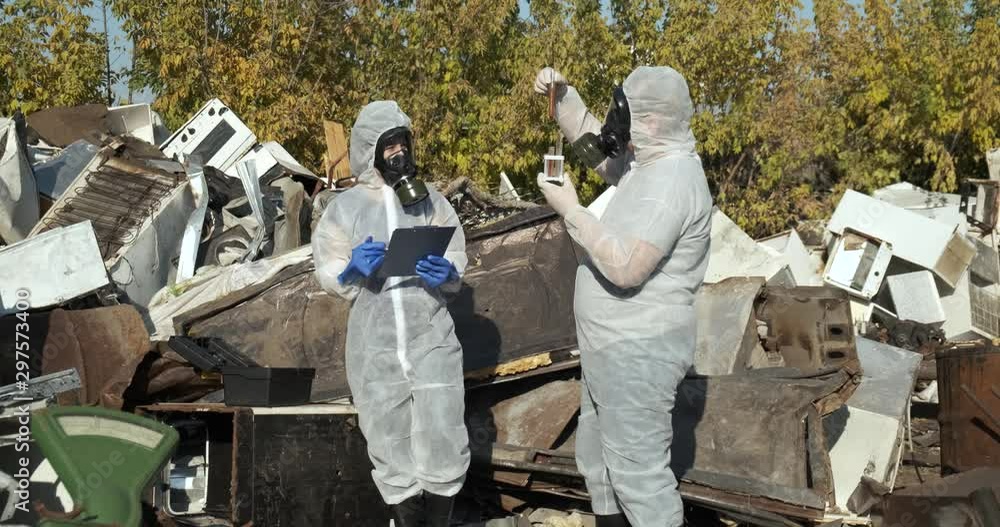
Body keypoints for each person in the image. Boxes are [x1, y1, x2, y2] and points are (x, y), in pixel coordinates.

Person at [533, 66, 713, 526]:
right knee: (600, 467)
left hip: (639, 352)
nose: (620, 127)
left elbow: (627, 267)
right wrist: (564, 98)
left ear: (651, 121)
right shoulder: (648, 163)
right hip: (611, 349)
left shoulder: (673, 181)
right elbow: (600, 151)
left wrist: (572, 211)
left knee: (639, 479)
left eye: (627, 116)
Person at [312, 101, 469, 527]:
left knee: (443, 437)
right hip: (376, 351)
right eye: (389, 145)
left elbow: (456, 253)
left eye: (403, 142)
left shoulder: (432, 201)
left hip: (431, 340)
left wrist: (448, 272)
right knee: (388, 442)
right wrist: (350, 269)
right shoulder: (344, 209)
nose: (399, 153)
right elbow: (327, 268)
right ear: (370, 151)